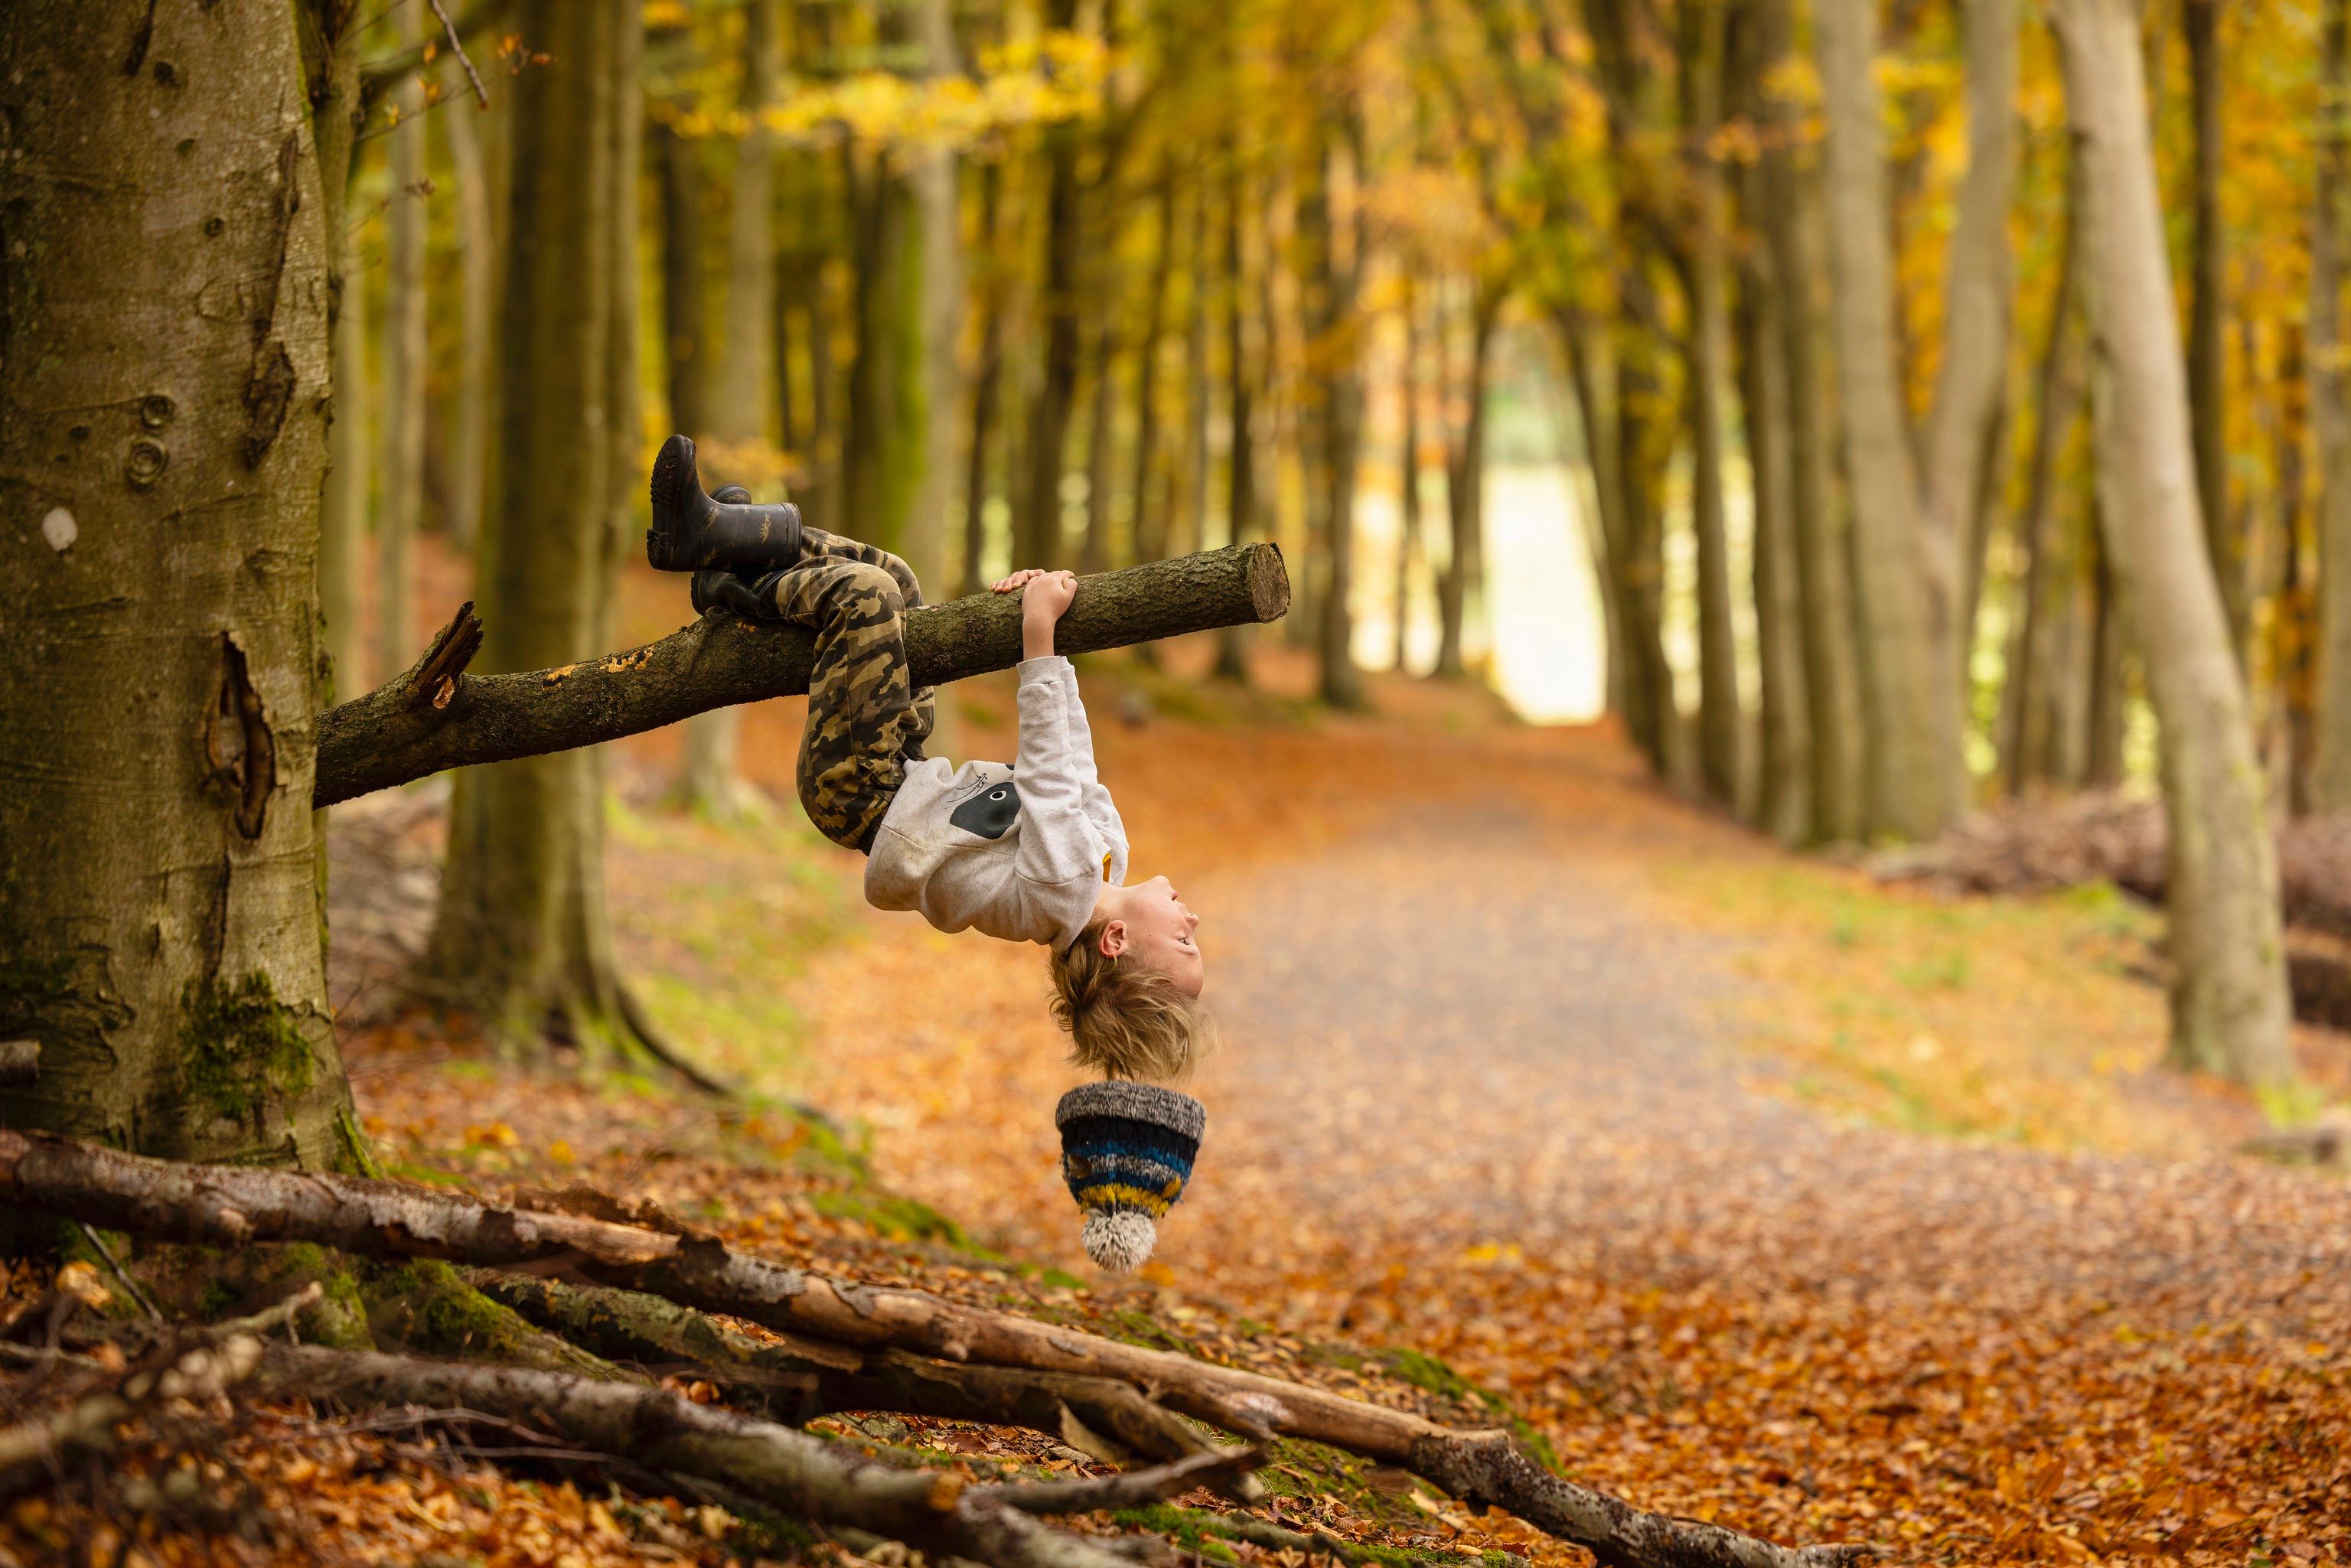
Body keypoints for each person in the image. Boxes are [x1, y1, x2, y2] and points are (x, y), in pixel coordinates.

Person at [646, 434, 1215, 1085]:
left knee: (866, 597)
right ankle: (720, 542)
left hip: (860, 789)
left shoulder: (1065, 891)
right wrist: (1045, 633)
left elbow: (1049, 774)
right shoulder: (1107, 856)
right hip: (904, 763)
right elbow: (1075, 757)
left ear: (1114, 943)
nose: (1192, 919)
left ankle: (736, 584)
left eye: (1183, 940)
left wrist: (1038, 636)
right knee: (902, 586)